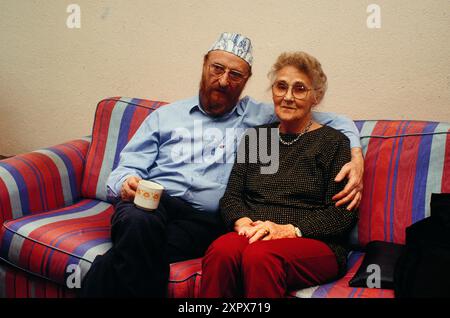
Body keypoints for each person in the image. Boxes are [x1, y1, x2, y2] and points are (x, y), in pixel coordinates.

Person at [80, 33, 363, 297]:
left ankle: (103, 275)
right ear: (205, 65)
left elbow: (332, 126)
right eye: (217, 68)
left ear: (246, 80)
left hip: (201, 223)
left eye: (235, 74)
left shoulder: (300, 131)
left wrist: (356, 154)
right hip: (154, 206)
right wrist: (126, 184)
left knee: (138, 251)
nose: (224, 80)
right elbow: (237, 193)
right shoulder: (174, 119)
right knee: (141, 223)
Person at [199, 51, 358, 298]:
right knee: (222, 250)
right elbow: (231, 197)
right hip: (254, 233)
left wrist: (290, 229)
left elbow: (340, 215)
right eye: (281, 87)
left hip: (314, 241)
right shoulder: (260, 138)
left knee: (260, 256)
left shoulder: (333, 143)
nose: (288, 97)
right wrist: (241, 222)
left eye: (300, 89)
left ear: (316, 97)